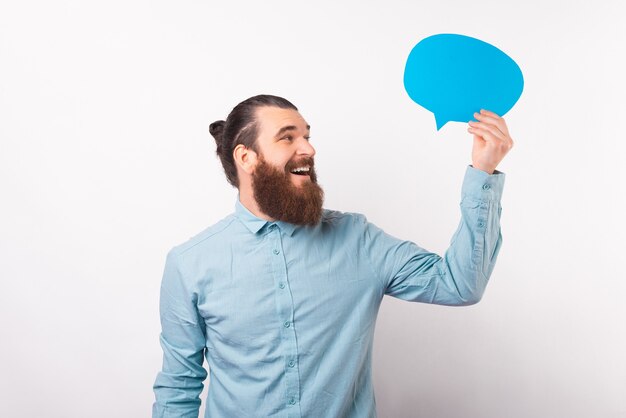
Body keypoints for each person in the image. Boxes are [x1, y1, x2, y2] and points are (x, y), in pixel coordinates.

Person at [152, 94, 512, 418]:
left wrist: (483, 171)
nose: (308, 149)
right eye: (288, 137)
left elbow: (460, 284)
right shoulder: (190, 264)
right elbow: (179, 389)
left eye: (307, 136)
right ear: (246, 157)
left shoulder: (358, 240)